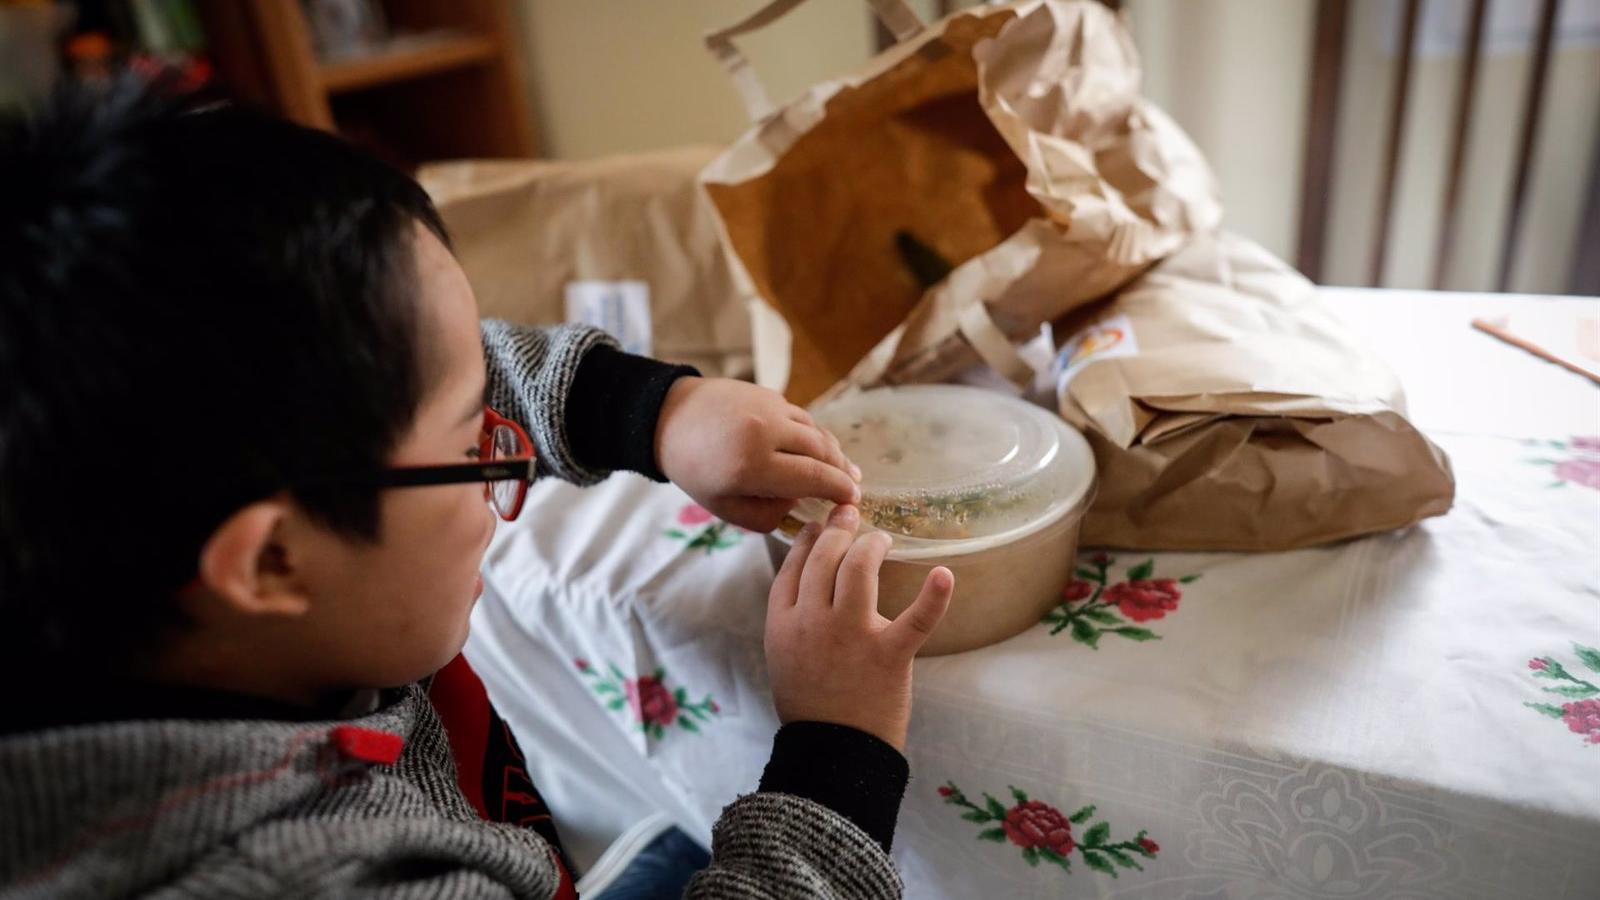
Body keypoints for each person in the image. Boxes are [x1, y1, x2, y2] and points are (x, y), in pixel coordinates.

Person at [0, 78, 953, 898]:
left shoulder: (140, 547)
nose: (506, 457)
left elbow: (452, 370)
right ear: (272, 559)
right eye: (474, 446)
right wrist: (836, 753)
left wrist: (657, 414)